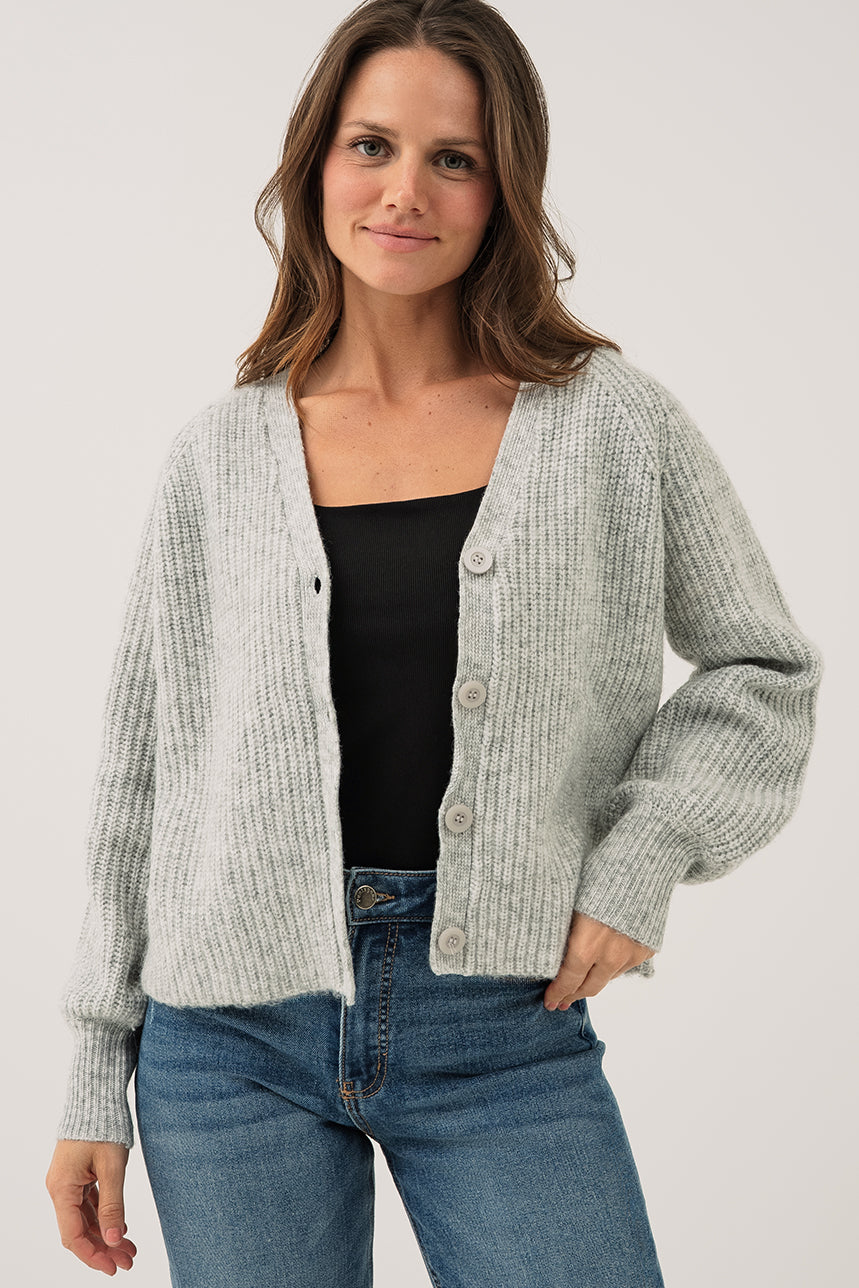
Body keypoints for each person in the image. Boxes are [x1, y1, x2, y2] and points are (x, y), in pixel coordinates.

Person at [45, 1, 823, 1284]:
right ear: (315, 166)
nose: (405, 191)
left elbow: (762, 667)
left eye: (452, 158)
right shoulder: (217, 455)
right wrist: (92, 1069)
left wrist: (638, 866)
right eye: (371, 146)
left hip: (500, 1028)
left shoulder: (610, 425)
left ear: (503, 187)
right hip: (227, 1040)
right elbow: (144, 777)